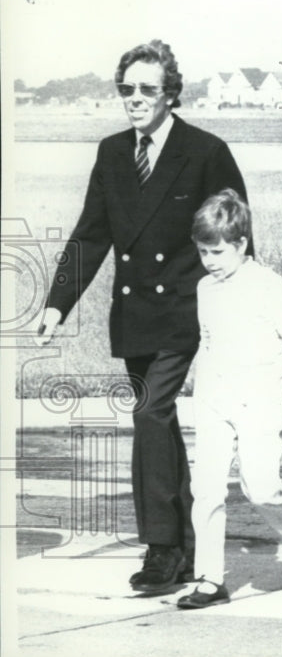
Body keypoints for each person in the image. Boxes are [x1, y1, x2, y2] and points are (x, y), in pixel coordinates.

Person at [35, 40, 251, 594]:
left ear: (170, 94)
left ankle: (162, 549)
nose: (135, 98)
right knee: (155, 420)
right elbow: (91, 233)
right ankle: (184, 539)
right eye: (126, 88)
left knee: (152, 412)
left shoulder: (205, 151)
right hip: (135, 313)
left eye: (147, 89)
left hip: (189, 309)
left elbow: (239, 238)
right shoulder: (111, 153)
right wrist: (58, 303)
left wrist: (243, 313)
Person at [176, 189, 282, 609]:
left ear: (241, 244)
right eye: (203, 251)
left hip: (263, 399)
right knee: (206, 489)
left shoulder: (267, 284)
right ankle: (209, 579)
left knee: (259, 487)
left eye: (218, 251)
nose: (209, 260)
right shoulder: (205, 288)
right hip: (214, 399)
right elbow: (208, 341)